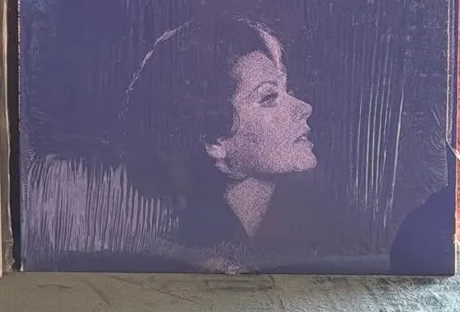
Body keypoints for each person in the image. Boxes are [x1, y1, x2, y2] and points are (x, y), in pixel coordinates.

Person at [120, 16, 319, 271]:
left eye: (288, 91)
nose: (304, 108)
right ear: (215, 141)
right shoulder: (181, 254)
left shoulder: (319, 228)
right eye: (269, 97)